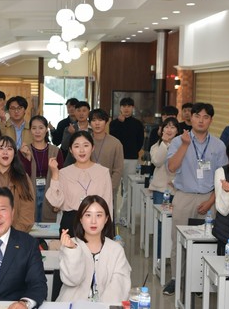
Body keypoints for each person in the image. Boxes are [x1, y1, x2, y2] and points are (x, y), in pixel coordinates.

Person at [163, 102, 228, 295]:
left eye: (206, 117)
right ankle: (176, 278)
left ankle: (201, 283)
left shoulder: (218, 145)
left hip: (209, 198)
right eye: (197, 116)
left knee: (206, 242)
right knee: (178, 240)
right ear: (190, 118)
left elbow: (222, 178)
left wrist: (211, 201)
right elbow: (171, 167)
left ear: (211, 120)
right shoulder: (178, 141)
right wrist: (185, 145)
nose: (201, 120)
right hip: (184, 196)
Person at [57, 195, 131, 303]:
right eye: (88, 215)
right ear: (81, 219)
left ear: (106, 219)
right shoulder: (70, 244)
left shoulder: (116, 250)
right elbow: (72, 280)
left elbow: (119, 288)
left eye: (99, 215)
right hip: (71, 308)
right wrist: (72, 250)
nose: (93, 221)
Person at [46, 130, 113, 236]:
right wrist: (55, 174)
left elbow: (108, 204)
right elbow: (56, 202)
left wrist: (108, 229)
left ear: (93, 148)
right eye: (76, 146)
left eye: (86, 145)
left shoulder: (103, 172)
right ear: (71, 150)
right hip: (71, 222)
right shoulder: (64, 173)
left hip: (96, 222)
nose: (81, 150)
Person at [19, 115, 63, 222]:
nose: (37, 132)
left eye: (41, 128)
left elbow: (61, 175)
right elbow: (22, 176)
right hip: (30, 191)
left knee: (48, 223)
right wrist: (28, 158)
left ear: (46, 130)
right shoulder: (24, 150)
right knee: (30, 222)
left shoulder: (55, 151)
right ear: (30, 130)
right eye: (34, 128)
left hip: (50, 190)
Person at [109, 97, 145, 226]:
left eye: (129, 106)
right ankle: (112, 216)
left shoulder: (137, 124)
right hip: (115, 158)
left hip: (131, 159)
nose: (126, 108)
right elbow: (112, 138)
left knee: (128, 189)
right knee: (113, 188)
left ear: (133, 108)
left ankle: (123, 216)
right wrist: (120, 123)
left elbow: (140, 142)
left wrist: (133, 151)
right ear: (120, 108)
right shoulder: (114, 123)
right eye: (124, 106)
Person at [149, 117, 181, 204]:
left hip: (177, 189)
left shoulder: (182, 147)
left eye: (173, 127)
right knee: (159, 212)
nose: (169, 130)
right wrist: (164, 144)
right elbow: (157, 162)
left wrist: (175, 182)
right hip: (160, 189)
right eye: (166, 127)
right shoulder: (156, 146)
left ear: (177, 131)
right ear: (162, 130)